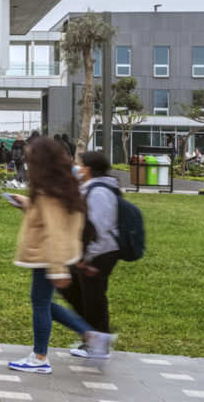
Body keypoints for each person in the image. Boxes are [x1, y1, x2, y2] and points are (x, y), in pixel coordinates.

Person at [6, 135, 107, 372]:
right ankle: (90, 334)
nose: (28, 163)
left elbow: (55, 231)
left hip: (48, 254)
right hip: (58, 253)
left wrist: (58, 268)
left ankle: (40, 357)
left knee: (40, 303)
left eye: (30, 158)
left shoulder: (47, 190)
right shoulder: (64, 184)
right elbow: (57, 218)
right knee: (41, 301)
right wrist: (26, 204)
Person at [59, 151, 122, 357]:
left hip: (101, 252)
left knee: (93, 296)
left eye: (78, 164)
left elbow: (99, 228)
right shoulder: (92, 187)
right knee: (76, 290)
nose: (75, 167)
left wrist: (88, 258)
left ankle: (99, 343)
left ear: (87, 168)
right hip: (90, 251)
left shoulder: (99, 191)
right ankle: (93, 336)